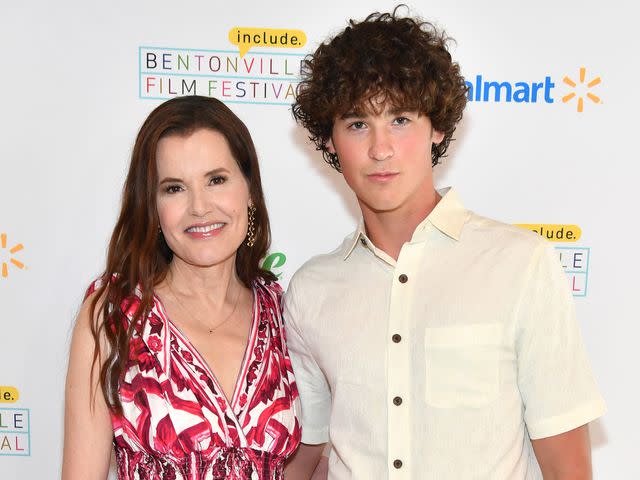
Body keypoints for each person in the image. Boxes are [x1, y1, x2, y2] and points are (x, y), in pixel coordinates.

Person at [284, 6, 606, 480]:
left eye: (399, 119)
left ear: (436, 127)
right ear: (330, 142)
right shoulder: (311, 290)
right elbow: (306, 456)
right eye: (357, 124)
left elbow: (568, 468)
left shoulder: (520, 265)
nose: (380, 149)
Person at [62, 95, 301, 479]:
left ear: (250, 190)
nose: (200, 207)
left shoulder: (283, 314)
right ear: (152, 206)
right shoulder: (114, 315)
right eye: (174, 188)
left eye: (216, 180)